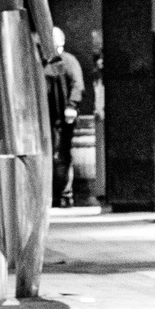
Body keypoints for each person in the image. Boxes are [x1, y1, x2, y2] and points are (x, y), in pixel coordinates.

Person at [44, 27, 86, 206]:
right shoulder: (64, 61)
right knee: (60, 154)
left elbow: (77, 85)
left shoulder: (66, 62)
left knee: (60, 154)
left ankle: (63, 194)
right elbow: (77, 85)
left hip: (58, 117)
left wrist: (71, 106)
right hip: (54, 117)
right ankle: (61, 194)